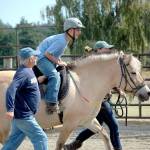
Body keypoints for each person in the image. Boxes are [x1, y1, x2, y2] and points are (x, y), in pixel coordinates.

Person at [63, 41, 123, 150]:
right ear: (99, 50)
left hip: (99, 99)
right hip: (98, 100)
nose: (109, 50)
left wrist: (117, 89)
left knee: (96, 125)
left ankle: (74, 144)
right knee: (113, 126)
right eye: (106, 48)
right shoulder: (94, 64)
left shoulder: (102, 64)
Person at [2, 47, 48, 150]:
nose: (36, 58)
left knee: (13, 141)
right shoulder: (23, 73)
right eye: (35, 56)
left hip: (22, 115)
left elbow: (26, 84)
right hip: (24, 116)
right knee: (41, 138)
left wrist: (37, 80)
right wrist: (10, 109)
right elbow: (11, 90)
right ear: (30, 59)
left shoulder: (28, 71)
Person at [37, 17, 85, 114]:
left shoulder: (64, 39)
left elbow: (53, 54)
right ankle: (51, 104)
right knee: (54, 76)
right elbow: (47, 54)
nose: (80, 32)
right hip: (42, 59)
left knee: (61, 71)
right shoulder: (62, 41)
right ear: (71, 30)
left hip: (46, 58)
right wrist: (59, 62)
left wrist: (60, 61)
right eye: (78, 29)